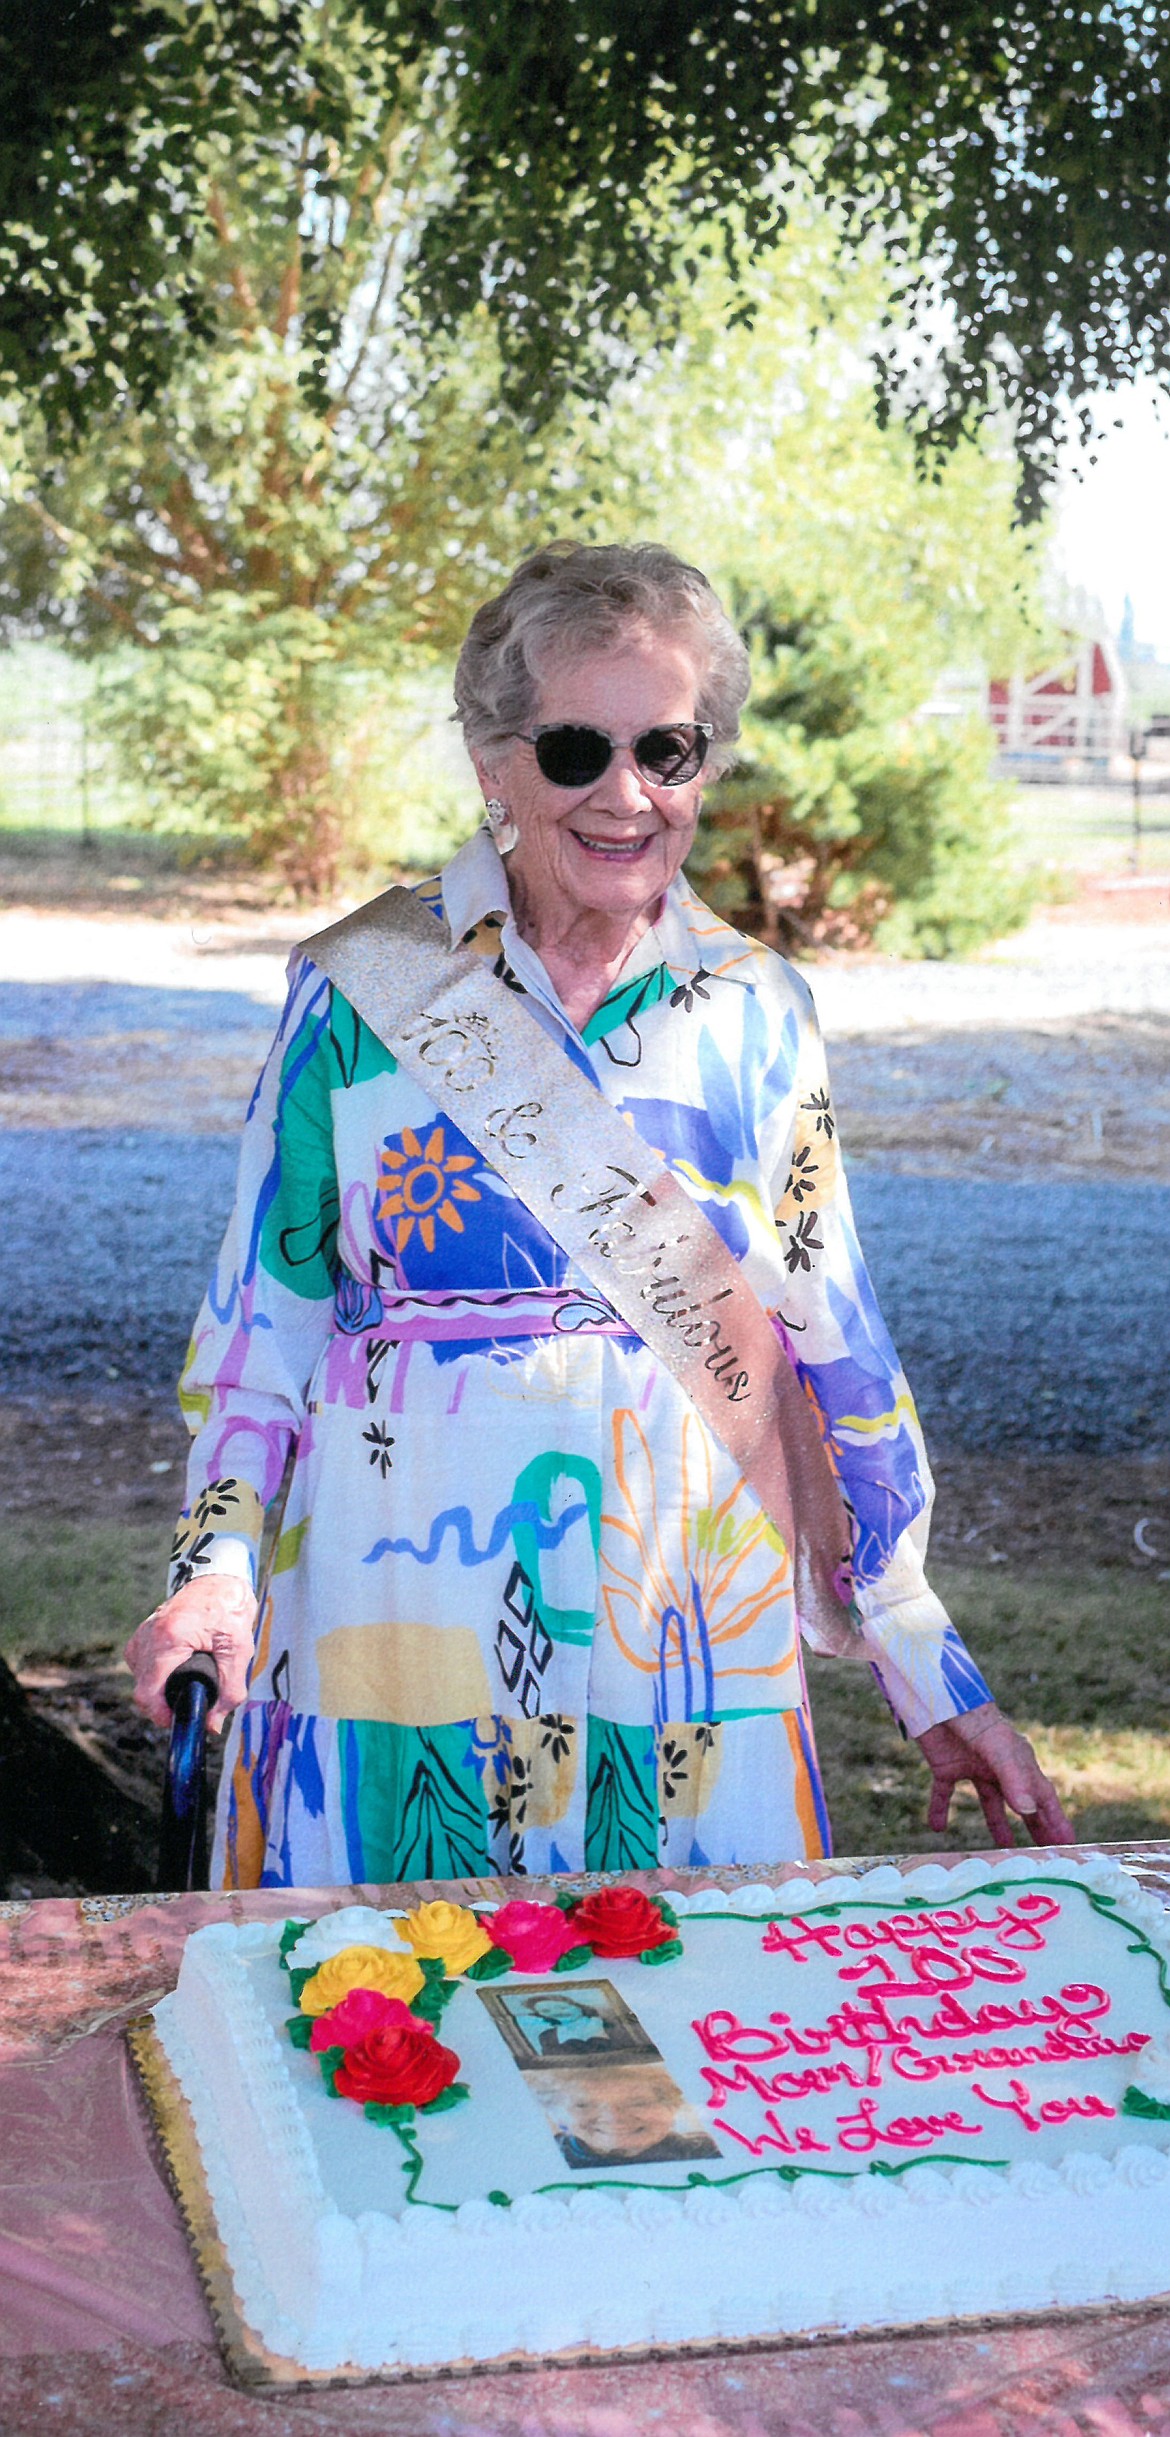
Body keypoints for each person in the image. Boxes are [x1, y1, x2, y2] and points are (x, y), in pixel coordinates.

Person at [125, 541, 1071, 1887]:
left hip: (686, 1632)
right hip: (392, 1624)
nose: (625, 793)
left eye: (668, 750)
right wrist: (214, 1567)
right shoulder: (359, 994)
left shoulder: (755, 1013)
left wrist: (927, 1668)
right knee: (388, 2032)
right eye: (574, 749)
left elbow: (830, 1340)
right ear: (491, 761)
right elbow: (258, 1332)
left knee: (693, 2051)